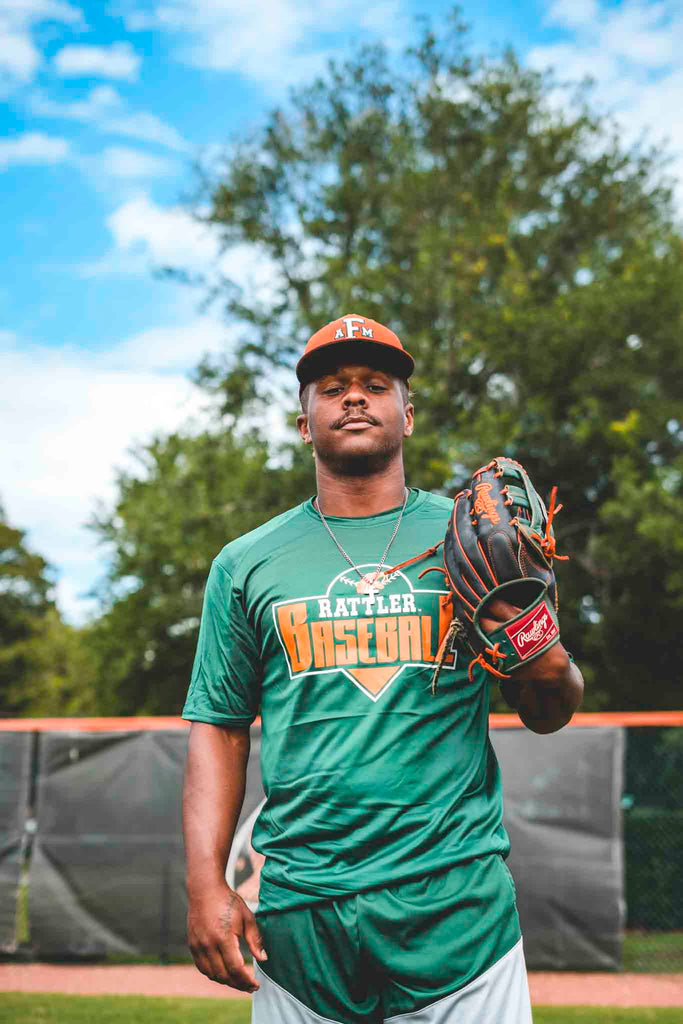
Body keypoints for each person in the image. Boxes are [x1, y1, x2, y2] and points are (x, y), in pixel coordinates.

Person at [182, 314, 584, 1023]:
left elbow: (550, 708)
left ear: (407, 411)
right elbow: (219, 727)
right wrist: (204, 883)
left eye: (375, 383)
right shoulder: (246, 563)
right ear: (304, 421)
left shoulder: (475, 535)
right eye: (332, 387)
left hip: (456, 907)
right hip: (300, 919)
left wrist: (531, 631)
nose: (354, 398)